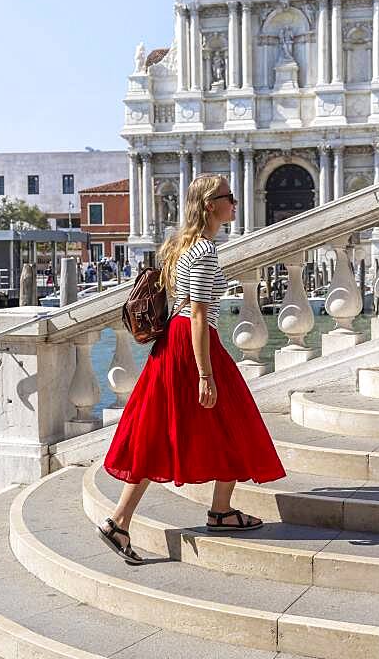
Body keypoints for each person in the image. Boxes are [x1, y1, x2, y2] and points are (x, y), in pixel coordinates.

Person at [99, 173, 286, 563]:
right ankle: (198, 513)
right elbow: (199, 314)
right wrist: (205, 373)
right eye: (227, 196)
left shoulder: (187, 247)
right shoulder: (201, 252)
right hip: (192, 345)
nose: (234, 202)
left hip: (180, 342)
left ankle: (205, 512)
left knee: (169, 431)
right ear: (209, 205)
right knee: (231, 423)